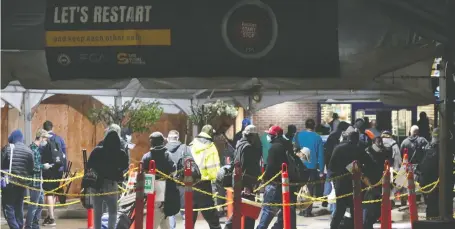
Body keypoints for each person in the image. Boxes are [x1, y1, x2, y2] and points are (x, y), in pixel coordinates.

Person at [257, 125, 296, 229]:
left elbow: (270, 167)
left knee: (268, 209)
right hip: (286, 183)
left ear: (275, 135)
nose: (268, 136)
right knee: (284, 210)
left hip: (274, 183)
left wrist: (265, 179)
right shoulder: (287, 145)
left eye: (270, 135)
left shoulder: (274, 148)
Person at [87, 131, 129, 229]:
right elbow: (125, 166)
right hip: (111, 184)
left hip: (96, 185)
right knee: (113, 211)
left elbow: (89, 165)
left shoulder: (97, 151)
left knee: (97, 212)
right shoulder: (120, 153)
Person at [329, 127, 368, 229]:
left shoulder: (338, 148)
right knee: (354, 207)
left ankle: (333, 226)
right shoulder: (359, 149)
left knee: (340, 208)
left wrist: (334, 179)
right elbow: (368, 164)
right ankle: (354, 226)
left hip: (340, 182)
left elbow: (331, 166)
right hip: (354, 183)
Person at [225, 125, 262, 229]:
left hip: (238, 180)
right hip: (245, 182)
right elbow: (247, 167)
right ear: (252, 135)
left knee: (243, 208)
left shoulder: (240, 144)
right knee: (246, 209)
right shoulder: (248, 147)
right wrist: (247, 185)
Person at [141, 132, 177, 229]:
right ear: (162, 142)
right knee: (161, 214)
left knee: (156, 213)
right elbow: (173, 170)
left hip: (150, 187)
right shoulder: (167, 155)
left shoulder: (146, 156)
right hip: (166, 188)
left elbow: (142, 173)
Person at [189, 125, 222, 229]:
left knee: (190, 219)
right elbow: (214, 170)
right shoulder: (211, 147)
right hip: (204, 185)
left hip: (190, 183)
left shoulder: (191, 145)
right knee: (212, 219)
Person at [1, 130, 34, 229]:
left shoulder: (8, 148)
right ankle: (19, 226)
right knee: (19, 207)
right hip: (22, 184)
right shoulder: (29, 151)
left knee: (8, 207)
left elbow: (1, 164)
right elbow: (31, 168)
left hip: (9, 183)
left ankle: (15, 227)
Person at [294, 119, 324, 217]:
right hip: (312, 166)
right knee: (310, 189)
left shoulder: (298, 136)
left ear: (305, 125)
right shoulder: (317, 138)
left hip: (299, 166)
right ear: (314, 126)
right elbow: (321, 155)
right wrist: (321, 170)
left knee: (300, 188)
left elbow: (293, 149)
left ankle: (300, 208)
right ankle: (307, 210)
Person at [26, 129, 53, 229]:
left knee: (40, 203)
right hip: (34, 181)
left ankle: (35, 224)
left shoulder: (36, 149)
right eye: (45, 138)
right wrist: (43, 166)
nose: (46, 141)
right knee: (34, 205)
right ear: (41, 138)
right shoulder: (33, 149)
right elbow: (33, 167)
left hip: (38, 180)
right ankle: (29, 226)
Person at [42, 120, 67, 226]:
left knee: (49, 193)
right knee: (54, 191)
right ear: (52, 127)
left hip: (49, 170)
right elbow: (64, 154)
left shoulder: (44, 139)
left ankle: (51, 218)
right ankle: (50, 215)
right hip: (59, 169)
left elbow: (40, 155)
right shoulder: (59, 139)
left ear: (44, 129)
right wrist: (65, 169)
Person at [165, 130, 190, 229]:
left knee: (170, 211)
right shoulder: (185, 148)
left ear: (168, 138)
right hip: (183, 182)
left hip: (169, 184)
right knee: (185, 210)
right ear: (178, 138)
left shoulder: (164, 149)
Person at [363, 137, 388, 229]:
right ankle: (367, 224)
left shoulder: (384, 152)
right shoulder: (368, 152)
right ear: (373, 142)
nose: (380, 144)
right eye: (378, 142)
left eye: (381, 142)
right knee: (370, 206)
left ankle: (369, 222)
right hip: (370, 182)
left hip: (380, 181)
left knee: (377, 206)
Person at [417, 128, 439, 219]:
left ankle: (430, 217)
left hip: (426, 181)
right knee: (435, 203)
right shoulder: (442, 149)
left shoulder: (427, 147)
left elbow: (422, 164)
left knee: (430, 203)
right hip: (435, 181)